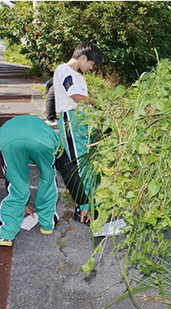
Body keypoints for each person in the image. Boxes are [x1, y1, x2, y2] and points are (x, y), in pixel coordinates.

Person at [53, 41, 102, 223]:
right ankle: (84, 210)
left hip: (82, 122)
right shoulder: (63, 70)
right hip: (71, 122)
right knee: (80, 166)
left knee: (88, 165)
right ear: (83, 57)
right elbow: (76, 97)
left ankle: (90, 207)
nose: (91, 68)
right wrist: (101, 103)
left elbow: (83, 101)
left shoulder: (79, 77)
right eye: (91, 64)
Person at [0, 115, 60, 247]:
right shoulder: (45, 129)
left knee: (16, 183)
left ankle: (6, 233)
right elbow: (57, 148)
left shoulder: (8, 127)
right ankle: (47, 224)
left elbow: (10, 178)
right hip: (42, 141)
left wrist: (23, 203)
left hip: (9, 141)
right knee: (48, 178)